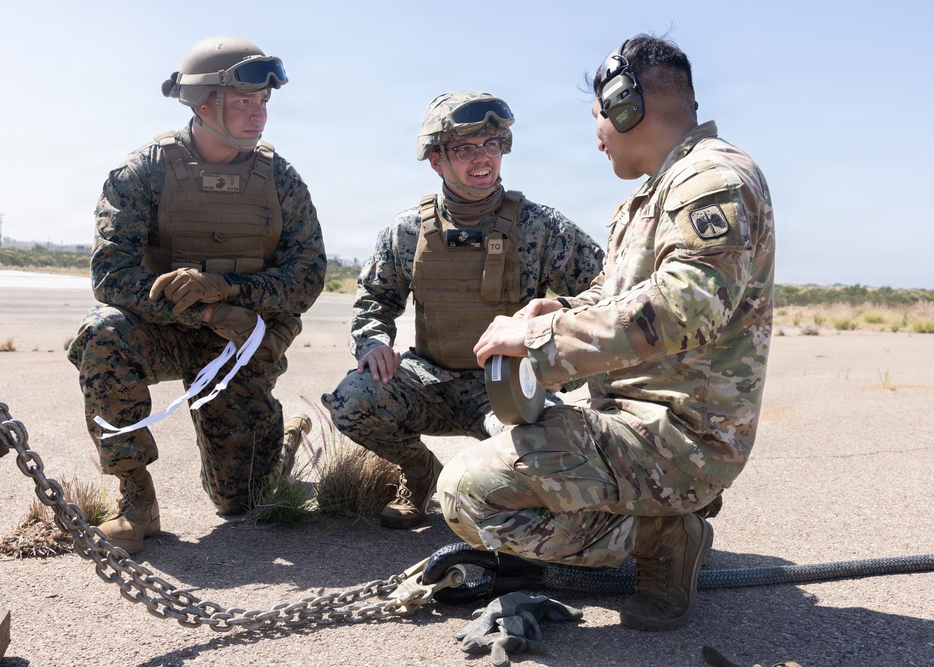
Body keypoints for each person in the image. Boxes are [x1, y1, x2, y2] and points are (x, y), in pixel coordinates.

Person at [437, 34, 776, 631]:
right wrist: (559, 308)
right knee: (500, 425)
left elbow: (686, 306)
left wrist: (542, 340)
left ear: (625, 106)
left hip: (681, 437)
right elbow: (617, 295)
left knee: (468, 491)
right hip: (637, 420)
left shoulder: (711, 180)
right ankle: (656, 517)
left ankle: (662, 535)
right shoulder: (653, 193)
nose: (595, 134)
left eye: (596, 115)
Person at [67, 36, 326, 554]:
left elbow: (308, 275)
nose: (259, 114)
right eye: (244, 101)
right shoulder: (143, 172)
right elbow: (111, 276)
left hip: (240, 343)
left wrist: (232, 289)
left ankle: (281, 445)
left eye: (263, 102)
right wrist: (209, 311)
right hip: (163, 329)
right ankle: (135, 498)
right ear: (203, 103)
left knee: (242, 502)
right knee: (102, 333)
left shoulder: (280, 179)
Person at [322, 91, 605, 530]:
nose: (482, 158)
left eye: (491, 145)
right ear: (436, 160)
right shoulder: (407, 230)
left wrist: (557, 349)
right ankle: (419, 474)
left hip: (508, 385)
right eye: (465, 149)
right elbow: (374, 297)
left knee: (550, 447)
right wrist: (373, 342)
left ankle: (512, 505)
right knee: (351, 400)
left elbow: (605, 294)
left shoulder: (541, 226)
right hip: (427, 381)